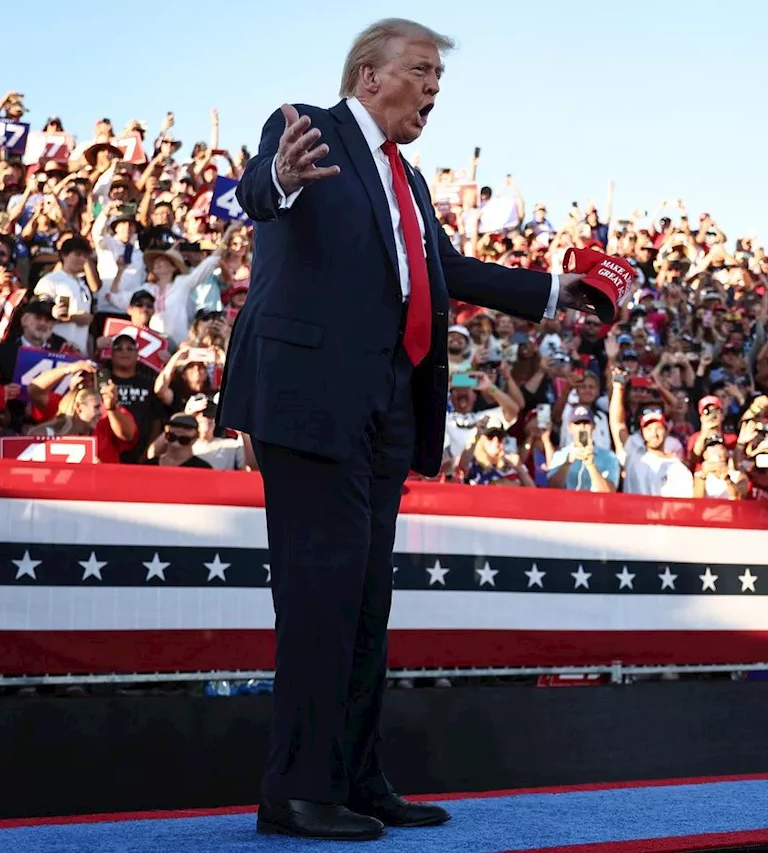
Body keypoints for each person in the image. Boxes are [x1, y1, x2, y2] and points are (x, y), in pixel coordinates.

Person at [215, 18, 598, 841]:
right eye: (421, 70)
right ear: (368, 75)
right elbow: (257, 193)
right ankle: (295, 790)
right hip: (309, 397)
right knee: (320, 597)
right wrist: (278, 179)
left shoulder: (409, 180)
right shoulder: (302, 130)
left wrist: (560, 289)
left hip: (387, 404)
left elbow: (445, 270)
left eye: (439, 78)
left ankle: (356, 779)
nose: (433, 88)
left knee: (364, 601)